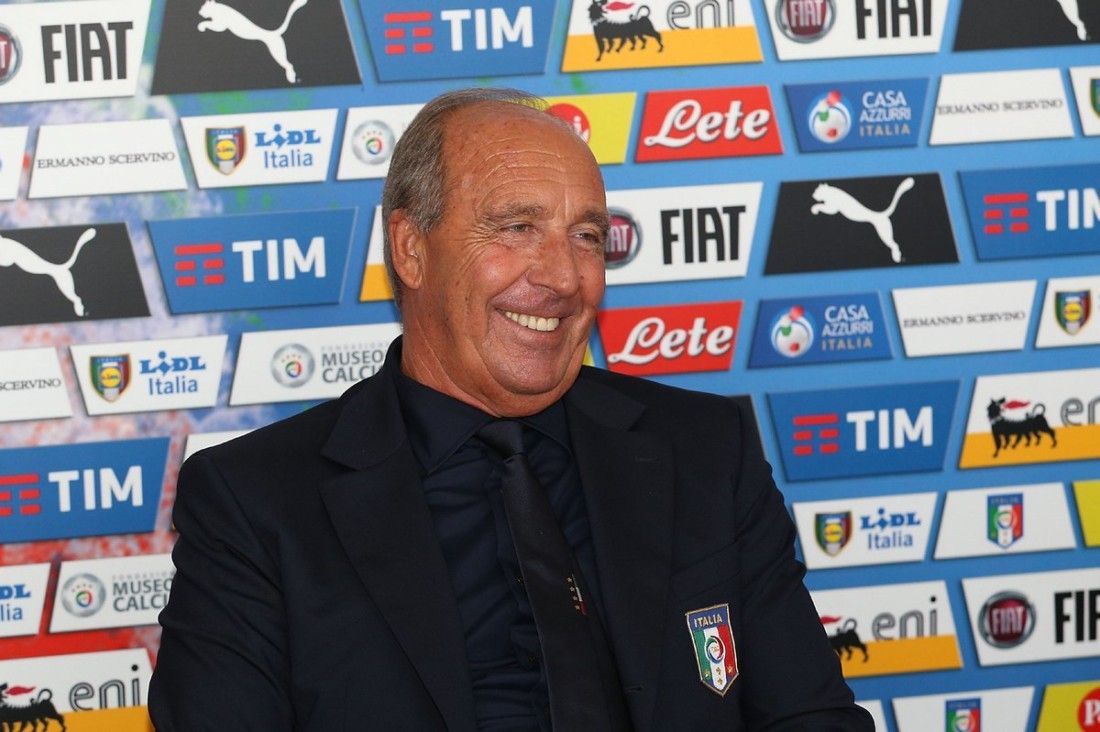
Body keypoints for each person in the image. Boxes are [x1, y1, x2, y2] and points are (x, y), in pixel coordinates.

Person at [149, 88, 873, 731]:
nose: (562, 277)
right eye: (516, 227)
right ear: (410, 248)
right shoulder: (259, 503)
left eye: (586, 236)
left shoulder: (705, 450)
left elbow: (809, 715)